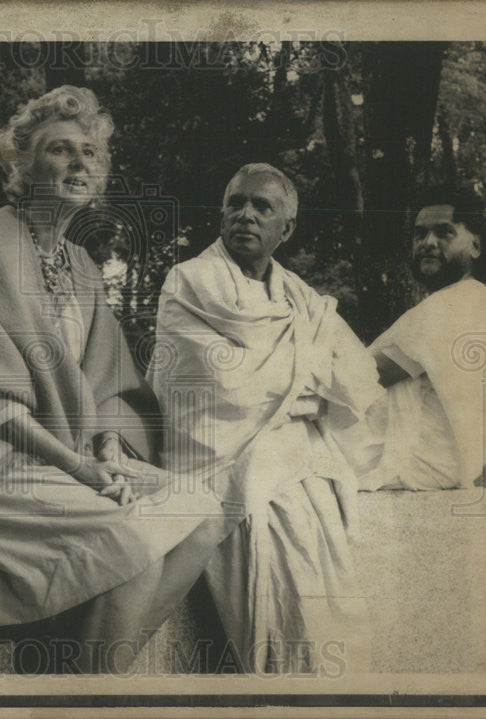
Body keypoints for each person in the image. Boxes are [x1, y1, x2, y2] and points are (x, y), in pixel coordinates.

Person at [0, 86, 234, 674]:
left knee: (205, 515)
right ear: (22, 165)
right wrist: (81, 468)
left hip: (67, 455)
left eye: (90, 152)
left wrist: (106, 448)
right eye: (60, 150)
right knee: (133, 544)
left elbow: (108, 384)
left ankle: (69, 670)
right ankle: (82, 693)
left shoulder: (82, 266)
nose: (80, 162)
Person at [147, 163, 382, 673]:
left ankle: (327, 690)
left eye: (262, 207)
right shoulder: (188, 282)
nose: (246, 215)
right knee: (269, 532)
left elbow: (358, 374)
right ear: (222, 211)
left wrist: (296, 394)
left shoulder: (303, 299)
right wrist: (308, 393)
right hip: (214, 458)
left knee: (324, 570)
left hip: (295, 459)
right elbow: (217, 386)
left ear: (286, 228)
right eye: (236, 203)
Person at [358, 186, 486, 491]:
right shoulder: (478, 300)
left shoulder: (456, 305)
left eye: (444, 233)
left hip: (417, 463)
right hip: (449, 465)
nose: (428, 243)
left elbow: (363, 376)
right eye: (420, 235)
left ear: (475, 246)